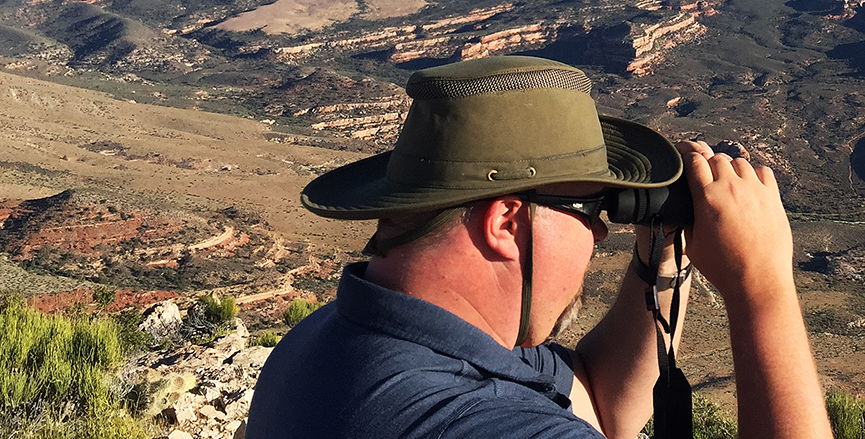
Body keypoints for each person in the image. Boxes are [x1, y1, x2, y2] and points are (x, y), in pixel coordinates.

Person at [247, 56, 830, 439]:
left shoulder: (340, 337)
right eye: (589, 209)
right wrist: (763, 289)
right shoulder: (475, 422)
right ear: (506, 222)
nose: (601, 232)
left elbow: (601, 405)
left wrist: (663, 247)